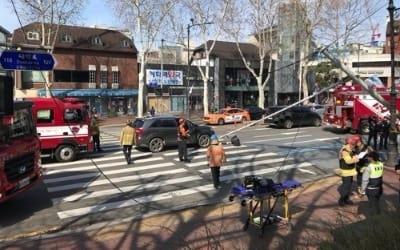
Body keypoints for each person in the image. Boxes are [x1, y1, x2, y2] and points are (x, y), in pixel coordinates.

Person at [338, 136, 359, 206]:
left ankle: (346, 200)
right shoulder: (345, 150)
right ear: (349, 143)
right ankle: (342, 201)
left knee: (348, 186)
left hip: (349, 171)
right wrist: (356, 158)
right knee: (346, 187)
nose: (354, 146)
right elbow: (348, 161)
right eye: (353, 144)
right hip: (346, 172)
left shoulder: (350, 149)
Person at [360, 151, 384, 215]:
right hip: (379, 188)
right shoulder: (381, 164)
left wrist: (362, 191)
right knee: (376, 201)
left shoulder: (369, 167)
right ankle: (378, 212)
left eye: (368, 157)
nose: (367, 158)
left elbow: (365, 180)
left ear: (371, 158)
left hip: (371, 189)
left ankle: (375, 217)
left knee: (373, 203)